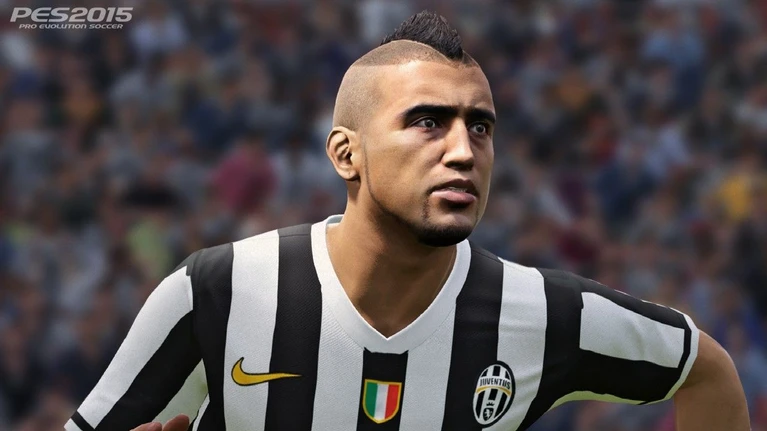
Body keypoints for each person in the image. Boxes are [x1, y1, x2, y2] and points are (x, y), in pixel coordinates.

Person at [64, 11, 750, 431]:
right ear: (346, 153)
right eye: (427, 121)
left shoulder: (542, 313)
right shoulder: (219, 291)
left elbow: (702, 368)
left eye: (479, 127)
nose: (463, 151)